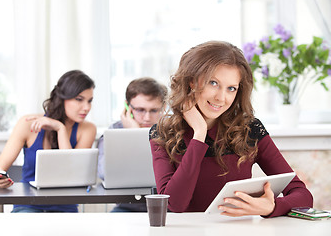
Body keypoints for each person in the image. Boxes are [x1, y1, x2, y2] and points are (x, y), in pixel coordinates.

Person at [149, 41, 313, 217]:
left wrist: (272, 207)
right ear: (191, 81)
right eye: (213, 83)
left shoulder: (250, 129)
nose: (221, 98)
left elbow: (303, 195)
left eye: (231, 88)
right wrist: (199, 134)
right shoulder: (163, 133)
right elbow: (174, 204)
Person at [0, 70, 97, 213]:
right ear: (62, 97)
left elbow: (71, 173)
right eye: (79, 99)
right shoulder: (27, 123)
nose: (86, 107)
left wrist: (60, 129)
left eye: (89, 101)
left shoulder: (87, 129)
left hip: (66, 208)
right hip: (27, 206)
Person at [97, 77, 167, 212]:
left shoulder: (171, 131)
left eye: (154, 110)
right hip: (126, 206)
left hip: (166, 207)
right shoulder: (114, 132)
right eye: (140, 110)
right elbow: (104, 173)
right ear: (127, 107)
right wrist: (134, 133)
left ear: (163, 108)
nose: (147, 117)